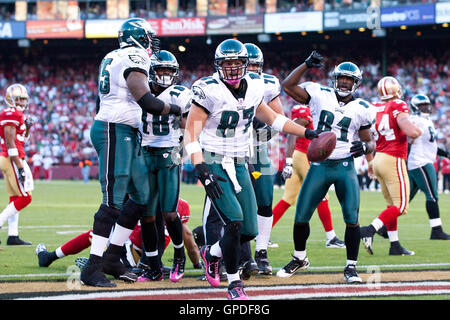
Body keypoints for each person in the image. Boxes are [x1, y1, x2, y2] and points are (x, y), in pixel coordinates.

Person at [184, 39, 318, 300]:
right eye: (227, 63)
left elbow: (274, 119)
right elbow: (190, 134)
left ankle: (211, 253)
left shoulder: (257, 86)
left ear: (247, 64)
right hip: (213, 159)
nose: (233, 68)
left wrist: (307, 132)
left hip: (239, 160)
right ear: (218, 65)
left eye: (237, 63)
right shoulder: (207, 89)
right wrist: (200, 167)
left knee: (249, 231)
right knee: (233, 223)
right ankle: (234, 284)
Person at [80, 18, 183, 288]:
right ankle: (93, 266)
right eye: (149, 37)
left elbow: (100, 100)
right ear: (141, 37)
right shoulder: (134, 55)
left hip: (120, 129)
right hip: (115, 130)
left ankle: (114, 256)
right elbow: (147, 100)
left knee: (141, 197)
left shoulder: (113, 55)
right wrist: (174, 109)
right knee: (113, 201)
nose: (152, 42)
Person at [277, 52, 376, 284]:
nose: (344, 82)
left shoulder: (363, 108)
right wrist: (305, 65)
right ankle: (299, 258)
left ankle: (351, 268)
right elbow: (288, 85)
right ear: (335, 79)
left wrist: (365, 147)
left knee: (352, 217)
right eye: (341, 78)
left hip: (344, 165)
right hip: (319, 165)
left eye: (349, 80)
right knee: (301, 215)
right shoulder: (319, 94)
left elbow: (370, 140)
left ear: (356, 83)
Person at [136, 50, 192, 283]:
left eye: (170, 71)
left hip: (168, 154)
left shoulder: (180, 93)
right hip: (145, 155)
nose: (166, 75)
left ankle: (179, 254)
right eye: (161, 70)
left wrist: (183, 154)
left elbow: (188, 127)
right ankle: (153, 266)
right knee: (147, 217)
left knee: (169, 213)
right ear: (151, 72)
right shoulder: (140, 92)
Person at [35, 198, 201, 270]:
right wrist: (196, 264)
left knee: (97, 233)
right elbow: (188, 241)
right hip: (151, 259)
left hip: (133, 249)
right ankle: (109, 260)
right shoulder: (181, 205)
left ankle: (51, 257)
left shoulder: (146, 194)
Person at [359, 76, 423, 256]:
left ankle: (394, 245)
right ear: (396, 89)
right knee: (401, 206)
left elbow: (366, 136)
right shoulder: (398, 105)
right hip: (393, 158)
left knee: (391, 205)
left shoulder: (375, 107)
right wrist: (419, 131)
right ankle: (369, 230)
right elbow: (410, 131)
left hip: (379, 158)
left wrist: (370, 161)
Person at [272, 103, 346, 249]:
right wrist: (288, 161)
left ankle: (262, 234)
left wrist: (289, 161)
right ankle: (331, 237)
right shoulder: (304, 112)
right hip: (303, 156)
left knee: (288, 198)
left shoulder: (303, 109)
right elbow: (292, 134)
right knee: (322, 195)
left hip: (296, 157)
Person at [407, 94, 450, 240]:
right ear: (415, 108)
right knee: (432, 195)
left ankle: (382, 228)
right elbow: (408, 140)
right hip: (420, 162)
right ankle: (436, 230)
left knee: (404, 200)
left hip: (420, 161)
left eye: (426, 105)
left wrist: (446, 154)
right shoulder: (414, 120)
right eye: (422, 106)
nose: (425, 107)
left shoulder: (426, 120)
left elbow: (430, 145)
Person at [0, 84, 34, 246]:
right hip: (11, 158)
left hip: (13, 157)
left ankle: (13, 235)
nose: (22, 101)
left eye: (23, 99)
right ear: (10, 99)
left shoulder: (18, 114)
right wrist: (19, 166)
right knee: (25, 198)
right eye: (19, 98)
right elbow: (9, 142)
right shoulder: (10, 113)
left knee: (15, 197)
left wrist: (27, 129)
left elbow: (22, 141)